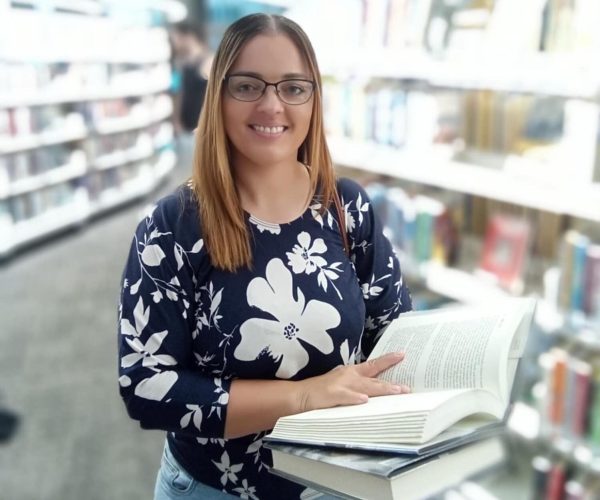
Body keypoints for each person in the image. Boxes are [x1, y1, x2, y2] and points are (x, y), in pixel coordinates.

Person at [118, 13, 413, 500]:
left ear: (314, 100)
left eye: (294, 88)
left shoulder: (347, 207)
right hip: (215, 489)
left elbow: (393, 332)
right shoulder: (171, 226)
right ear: (219, 96)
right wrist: (300, 397)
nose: (272, 105)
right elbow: (147, 387)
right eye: (249, 86)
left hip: (339, 484)